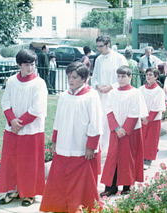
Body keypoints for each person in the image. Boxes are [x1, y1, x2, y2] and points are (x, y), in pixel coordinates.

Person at [40, 62, 103, 213]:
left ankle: (78, 207)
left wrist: (91, 146)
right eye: (69, 77)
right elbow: (58, 119)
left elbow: (95, 123)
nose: (71, 80)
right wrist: (54, 140)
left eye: (75, 77)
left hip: (81, 145)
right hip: (63, 143)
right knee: (60, 179)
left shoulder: (91, 95)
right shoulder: (64, 95)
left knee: (80, 181)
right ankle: (59, 206)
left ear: (84, 78)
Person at [0, 49, 47, 206]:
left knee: (30, 163)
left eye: (32, 64)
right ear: (19, 65)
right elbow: (6, 102)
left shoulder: (39, 83)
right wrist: (12, 121)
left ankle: (29, 193)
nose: (30, 68)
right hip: (12, 128)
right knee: (12, 160)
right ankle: (13, 190)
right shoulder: (11, 81)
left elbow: (37, 108)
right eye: (26, 65)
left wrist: (19, 123)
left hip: (32, 130)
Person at [100, 65, 148, 197]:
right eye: (119, 76)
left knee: (128, 158)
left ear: (130, 77)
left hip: (130, 131)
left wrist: (125, 130)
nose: (120, 79)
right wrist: (116, 128)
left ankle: (127, 186)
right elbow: (108, 111)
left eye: (124, 76)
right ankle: (111, 187)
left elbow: (135, 112)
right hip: (116, 131)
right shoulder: (113, 93)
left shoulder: (135, 93)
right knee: (112, 157)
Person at [91, 35, 128, 152]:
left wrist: (111, 86)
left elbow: (126, 78)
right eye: (97, 47)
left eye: (101, 46)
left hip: (116, 96)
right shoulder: (98, 59)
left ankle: (113, 150)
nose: (99, 49)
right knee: (102, 122)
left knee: (114, 122)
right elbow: (94, 77)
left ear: (108, 45)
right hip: (102, 96)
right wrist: (98, 86)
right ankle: (102, 149)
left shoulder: (119, 58)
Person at [139, 67, 165, 166]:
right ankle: (141, 157)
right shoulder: (141, 89)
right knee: (142, 138)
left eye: (151, 75)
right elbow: (139, 103)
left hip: (153, 119)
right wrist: (142, 116)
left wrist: (149, 118)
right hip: (142, 118)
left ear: (156, 76)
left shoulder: (159, 91)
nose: (148, 77)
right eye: (147, 75)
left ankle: (148, 159)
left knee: (151, 139)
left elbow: (157, 106)